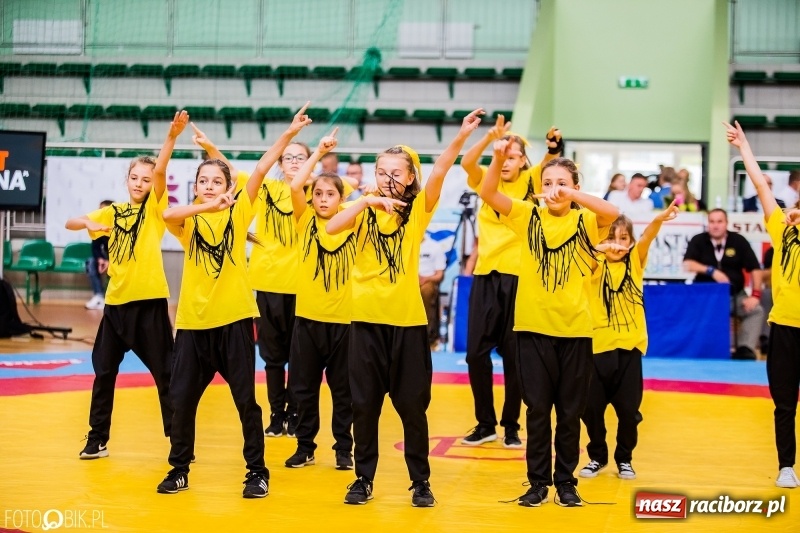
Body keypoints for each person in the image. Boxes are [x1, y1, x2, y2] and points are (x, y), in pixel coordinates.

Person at [327, 108, 484, 507]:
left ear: (410, 176)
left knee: (412, 408)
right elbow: (331, 225)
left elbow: (441, 169)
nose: (388, 179)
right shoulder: (362, 208)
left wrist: (461, 135)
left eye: (396, 173)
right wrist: (366, 202)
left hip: (407, 325)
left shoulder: (417, 212)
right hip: (364, 322)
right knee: (363, 407)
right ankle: (363, 479)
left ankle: (420, 481)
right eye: (382, 172)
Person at [479, 141, 618, 508]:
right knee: (538, 410)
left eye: (563, 182)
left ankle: (566, 482)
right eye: (549, 181)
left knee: (570, 413)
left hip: (575, 330)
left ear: (574, 185)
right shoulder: (528, 215)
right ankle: (538, 482)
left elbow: (612, 211)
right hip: (532, 329)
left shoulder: (586, 220)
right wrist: (495, 156)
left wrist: (574, 194)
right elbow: (488, 191)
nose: (555, 188)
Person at [65, 112, 187, 460]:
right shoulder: (113, 211)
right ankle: (97, 437)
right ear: (126, 180)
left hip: (149, 306)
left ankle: (178, 439)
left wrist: (171, 137)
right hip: (116, 308)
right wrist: (89, 221)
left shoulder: (154, 211)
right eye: (134, 177)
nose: (139, 183)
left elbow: (161, 170)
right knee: (103, 371)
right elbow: (71, 221)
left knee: (166, 374)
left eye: (145, 179)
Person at [158, 155, 269, 498]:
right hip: (194, 324)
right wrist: (203, 208)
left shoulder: (238, 213)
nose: (209, 187)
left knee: (245, 401)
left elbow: (263, 168)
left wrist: (291, 133)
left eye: (216, 182)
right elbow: (167, 214)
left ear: (229, 188)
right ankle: (179, 469)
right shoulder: (189, 220)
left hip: (234, 321)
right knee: (180, 399)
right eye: (203, 182)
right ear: (195, 187)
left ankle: (257, 472)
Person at [458, 114, 563, 449]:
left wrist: (552, 146)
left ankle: (512, 425)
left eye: (513, 155)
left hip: (519, 277)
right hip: (486, 275)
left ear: (523, 161)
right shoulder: (487, 178)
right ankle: (485, 423)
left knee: (515, 358)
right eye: (503, 155)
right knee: (476, 354)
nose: (506, 160)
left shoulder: (530, 181)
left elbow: (549, 161)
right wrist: (493, 141)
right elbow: (468, 161)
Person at [579, 204, 679, 482]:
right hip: (598, 349)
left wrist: (658, 219)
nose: (618, 244)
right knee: (591, 411)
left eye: (624, 238)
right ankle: (597, 457)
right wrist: (601, 247)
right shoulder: (593, 265)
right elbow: (582, 250)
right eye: (613, 237)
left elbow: (647, 237)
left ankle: (624, 458)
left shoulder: (635, 262)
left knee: (628, 412)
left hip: (629, 351)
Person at [725, 120, 800, 488]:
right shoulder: (782, 228)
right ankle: (787, 465)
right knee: (784, 403)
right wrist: (744, 148)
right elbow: (758, 184)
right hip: (785, 327)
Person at [283, 128, 363, 471]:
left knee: (344, 392)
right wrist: (317, 153)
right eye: (318, 193)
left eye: (331, 194)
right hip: (308, 320)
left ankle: (344, 449)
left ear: (342, 198)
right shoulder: (305, 221)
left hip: (345, 322)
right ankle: (305, 445)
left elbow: (360, 196)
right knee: (303, 389)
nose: (324, 199)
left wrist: (359, 193)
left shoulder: (354, 220)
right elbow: (293, 185)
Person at [248, 102, 313, 439]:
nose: (293, 162)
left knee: (300, 359)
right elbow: (257, 168)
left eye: (300, 157)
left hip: (304, 287)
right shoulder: (267, 190)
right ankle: (276, 414)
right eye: (288, 157)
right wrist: (290, 133)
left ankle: (296, 413)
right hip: (269, 284)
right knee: (273, 358)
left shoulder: (317, 194)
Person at [682, 208, 764, 360]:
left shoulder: (738, 241)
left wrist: (755, 294)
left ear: (727, 223)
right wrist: (711, 271)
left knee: (756, 310)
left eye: (719, 221)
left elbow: (755, 269)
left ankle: (745, 349)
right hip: (706, 299)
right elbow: (687, 265)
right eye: (712, 222)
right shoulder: (699, 240)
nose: (715, 225)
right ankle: (698, 348)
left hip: (734, 296)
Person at [419, 231, 447, 349]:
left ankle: (429, 337)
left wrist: (426, 278)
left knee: (426, 291)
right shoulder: (403, 243)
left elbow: (440, 275)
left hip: (428, 281)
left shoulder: (434, 247)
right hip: (407, 281)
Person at [84, 200, 112, 310]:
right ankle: (99, 297)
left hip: (121, 258)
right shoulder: (99, 226)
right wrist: (101, 259)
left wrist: (111, 261)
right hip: (107, 256)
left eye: (103, 210)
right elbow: (95, 247)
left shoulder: (120, 224)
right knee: (91, 262)